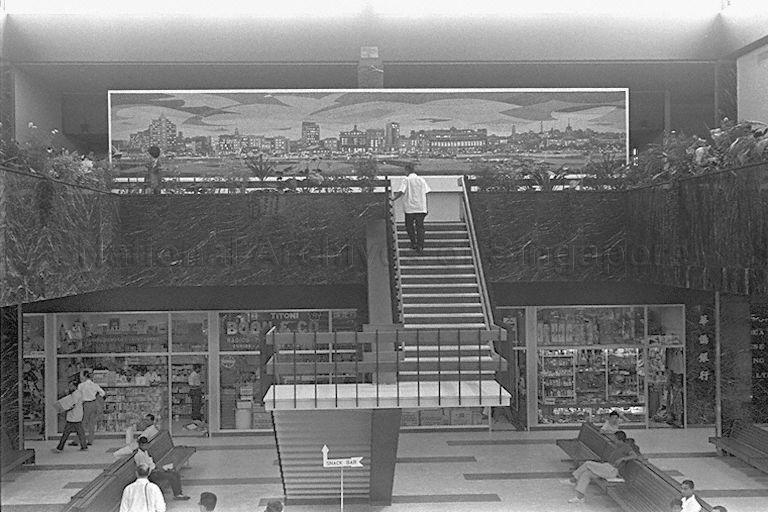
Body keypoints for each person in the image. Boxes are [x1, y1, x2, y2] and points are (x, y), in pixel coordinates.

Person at [566, 430, 638, 504]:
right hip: (606, 468)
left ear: (620, 439)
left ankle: (573, 479)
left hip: (611, 470)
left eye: (615, 438)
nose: (613, 440)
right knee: (586, 474)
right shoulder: (618, 447)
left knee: (587, 463)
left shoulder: (626, 447)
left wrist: (622, 459)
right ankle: (580, 498)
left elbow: (634, 455)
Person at [133, 436, 190, 500]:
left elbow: (151, 463)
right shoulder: (138, 455)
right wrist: (156, 470)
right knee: (171, 476)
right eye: (145, 445)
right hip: (151, 474)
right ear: (141, 445)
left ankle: (179, 494)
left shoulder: (145, 452)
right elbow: (143, 469)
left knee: (175, 472)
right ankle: (177, 494)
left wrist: (160, 468)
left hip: (155, 470)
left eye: (147, 444)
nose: (147, 446)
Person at [393, 166, 430, 253]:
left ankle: (413, 243)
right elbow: (426, 191)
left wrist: (394, 198)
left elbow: (401, 191)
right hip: (421, 207)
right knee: (420, 227)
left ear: (407, 170)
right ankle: (420, 245)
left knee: (409, 226)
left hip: (410, 208)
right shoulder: (421, 180)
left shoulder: (406, 180)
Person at [73, 370, 106, 446]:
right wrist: (96, 396)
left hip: (86, 404)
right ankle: (90, 440)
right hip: (94, 403)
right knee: (92, 423)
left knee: (83, 423)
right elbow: (103, 393)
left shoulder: (81, 385)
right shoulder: (95, 385)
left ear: (84, 377)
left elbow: (78, 395)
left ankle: (78, 440)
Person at [53, 386, 87, 452]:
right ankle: (84, 446)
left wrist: (62, 407)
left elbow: (71, 404)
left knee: (66, 433)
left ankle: (60, 448)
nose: (69, 387)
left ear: (75, 386)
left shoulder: (76, 394)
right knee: (80, 432)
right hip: (76, 416)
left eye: (71, 386)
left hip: (73, 416)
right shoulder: (78, 393)